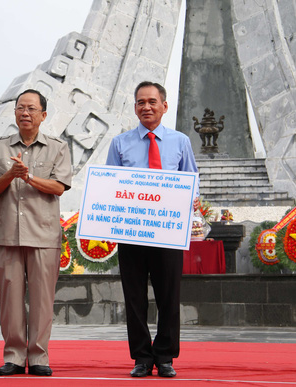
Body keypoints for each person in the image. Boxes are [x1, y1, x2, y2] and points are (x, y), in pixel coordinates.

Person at [106, 81, 199, 378]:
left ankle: (166, 356)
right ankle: (142, 358)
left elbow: (191, 182)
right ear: (135, 107)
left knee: (169, 296)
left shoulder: (180, 141)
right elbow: (109, 185)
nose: (146, 107)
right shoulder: (120, 143)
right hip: (131, 233)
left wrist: (190, 204)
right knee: (134, 297)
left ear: (164, 106)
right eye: (140, 102)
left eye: (152, 101)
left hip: (167, 233)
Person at [0, 89, 72, 377]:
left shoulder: (58, 148)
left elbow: (59, 188)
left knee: (43, 299)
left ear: (43, 115)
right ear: (15, 113)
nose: (25, 113)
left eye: (32, 108)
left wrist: (29, 176)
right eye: (21, 108)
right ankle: (15, 357)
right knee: (10, 300)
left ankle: (39, 355)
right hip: (7, 234)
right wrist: (11, 174)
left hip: (43, 234)